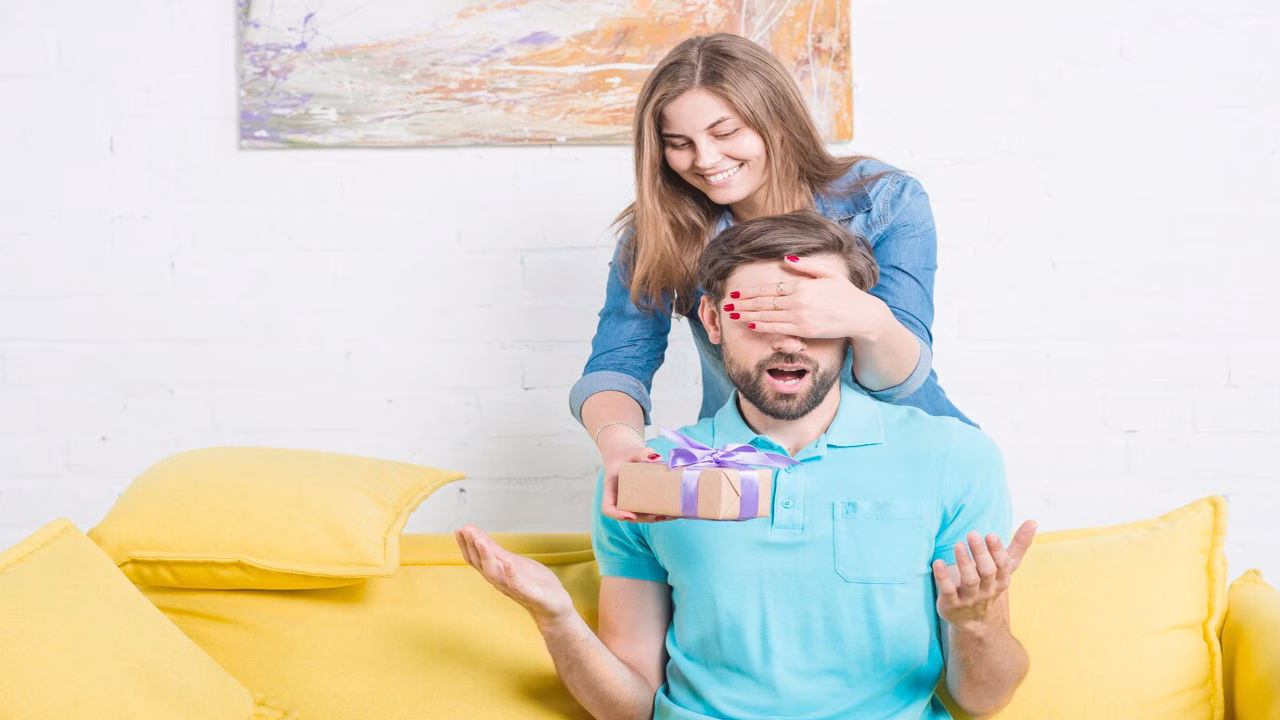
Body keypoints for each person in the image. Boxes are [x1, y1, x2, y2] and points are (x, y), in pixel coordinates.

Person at [460, 211, 1036, 720]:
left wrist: (975, 623)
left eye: (813, 315)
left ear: (854, 321)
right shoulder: (646, 474)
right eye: (759, 314)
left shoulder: (954, 459)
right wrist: (558, 619)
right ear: (712, 321)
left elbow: (983, 700)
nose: (789, 342)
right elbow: (632, 707)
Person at [569, 33, 973, 522]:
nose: (705, 160)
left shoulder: (885, 202)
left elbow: (899, 380)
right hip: (754, 473)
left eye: (725, 133)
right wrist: (620, 445)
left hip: (905, 462)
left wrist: (864, 318)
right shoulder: (660, 230)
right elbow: (619, 363)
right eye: (679, 144)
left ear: (776, 120)